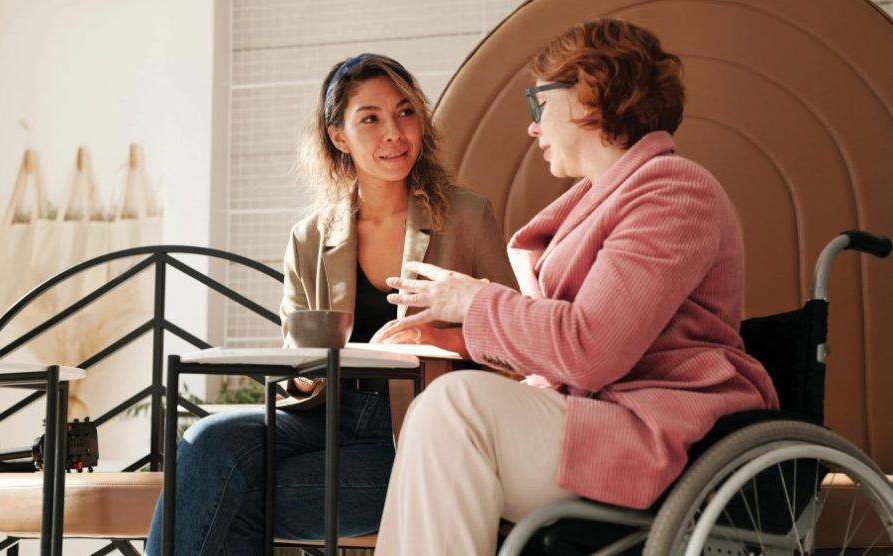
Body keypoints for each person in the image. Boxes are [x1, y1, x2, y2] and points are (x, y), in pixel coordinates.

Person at [371, 19, 779, 555]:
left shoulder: (676, 193)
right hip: (592, 413)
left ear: (589, 93)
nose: (532, 127)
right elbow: (572, 341)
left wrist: (472, 300)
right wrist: (459, 339)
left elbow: (590, 349)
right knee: (437, 413)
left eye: (539, 103)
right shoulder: (603, 201)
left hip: (654, 430)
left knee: (452, 410)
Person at [145, 53, 516, 556]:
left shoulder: (467, 216)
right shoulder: (311, 236)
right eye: (370, 118)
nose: (394, 132)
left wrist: (442, 340)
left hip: (420, 430)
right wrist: (303, 366)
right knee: (205, 441)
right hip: (326, 416)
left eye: (405, 113)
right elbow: (297, 374)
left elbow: (514, 344)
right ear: (338, 135)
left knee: (230, 496)